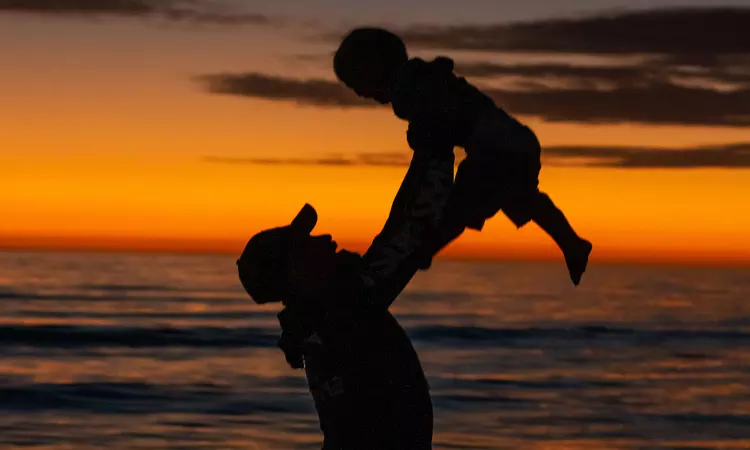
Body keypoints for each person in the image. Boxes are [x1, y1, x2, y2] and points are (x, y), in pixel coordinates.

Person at [333, 27, 593, 285]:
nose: (360, 94)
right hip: (515, 143)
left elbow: (435, 120)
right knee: (520, 199)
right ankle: (573, 244)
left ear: (373, 69)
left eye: (357, 84)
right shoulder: (419, 77)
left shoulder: (407, 87)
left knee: (461, 206)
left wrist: (420, 136)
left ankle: (424, 251)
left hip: (498, 150)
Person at [236, 150, 455, 449]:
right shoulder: (348, 308)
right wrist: (435, 146)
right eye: (307, 242)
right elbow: (411, 228)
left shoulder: (318, 324)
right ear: (298, 271)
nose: (325, 237)